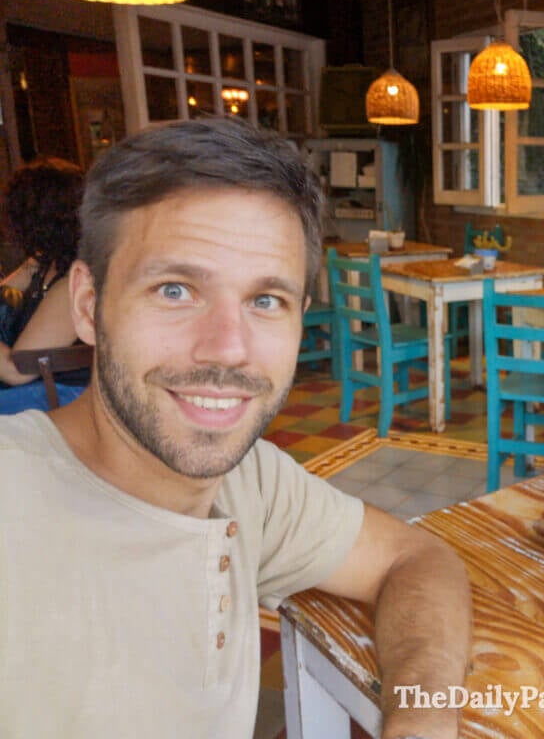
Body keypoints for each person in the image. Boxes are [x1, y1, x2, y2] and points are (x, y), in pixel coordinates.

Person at [0, 118, 472, 738]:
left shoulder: (253, 485)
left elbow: (418, 558)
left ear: (301, 318)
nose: (228, 349)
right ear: (87, 304)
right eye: (175, 289)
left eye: (265, 301)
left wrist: (421, 717)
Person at [0, 157, 87, 412]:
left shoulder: (77, 281)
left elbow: (18, 371)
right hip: (36, 394)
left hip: (58, 402)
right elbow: (5, 290)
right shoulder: (46, 261)